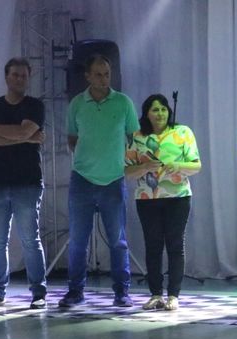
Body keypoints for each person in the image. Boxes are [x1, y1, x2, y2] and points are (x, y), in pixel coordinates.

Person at [61, 54, 139, 308]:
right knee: (78, 240)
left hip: (114, 180)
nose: (104, 79)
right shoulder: (77, 104)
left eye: (107, 74)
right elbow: (72, 139)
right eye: (98, 74)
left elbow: (134, 137)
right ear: (87, 76)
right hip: (82, 179)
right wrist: (88, 158)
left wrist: (122, 163)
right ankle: (75, 291)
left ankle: (122, 292)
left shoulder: (123, 102)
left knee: (118, 240)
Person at [0, 57, 47, 310]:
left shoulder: (35, 105)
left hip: (27, 182)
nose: (19, 79)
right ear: (6, 77)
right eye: (15, 75)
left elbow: (19, 132)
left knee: (30, 239)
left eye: (23, 75)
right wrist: (25, 137)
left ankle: (39, 293)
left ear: (28, 78)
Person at [124, 94, 201, 311]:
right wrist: (144, 167)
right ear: (146, 114)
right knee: (153, 245)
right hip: (147, 198)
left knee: (175, 245)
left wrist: (177, 165)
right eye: (155, 110)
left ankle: (174, 295)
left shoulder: (182, 132)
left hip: (178, 197)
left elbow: (196, 166)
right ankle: (156, 294)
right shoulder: (137, 137)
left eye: (163, 109)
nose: (160, 114)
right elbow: (127, 171)